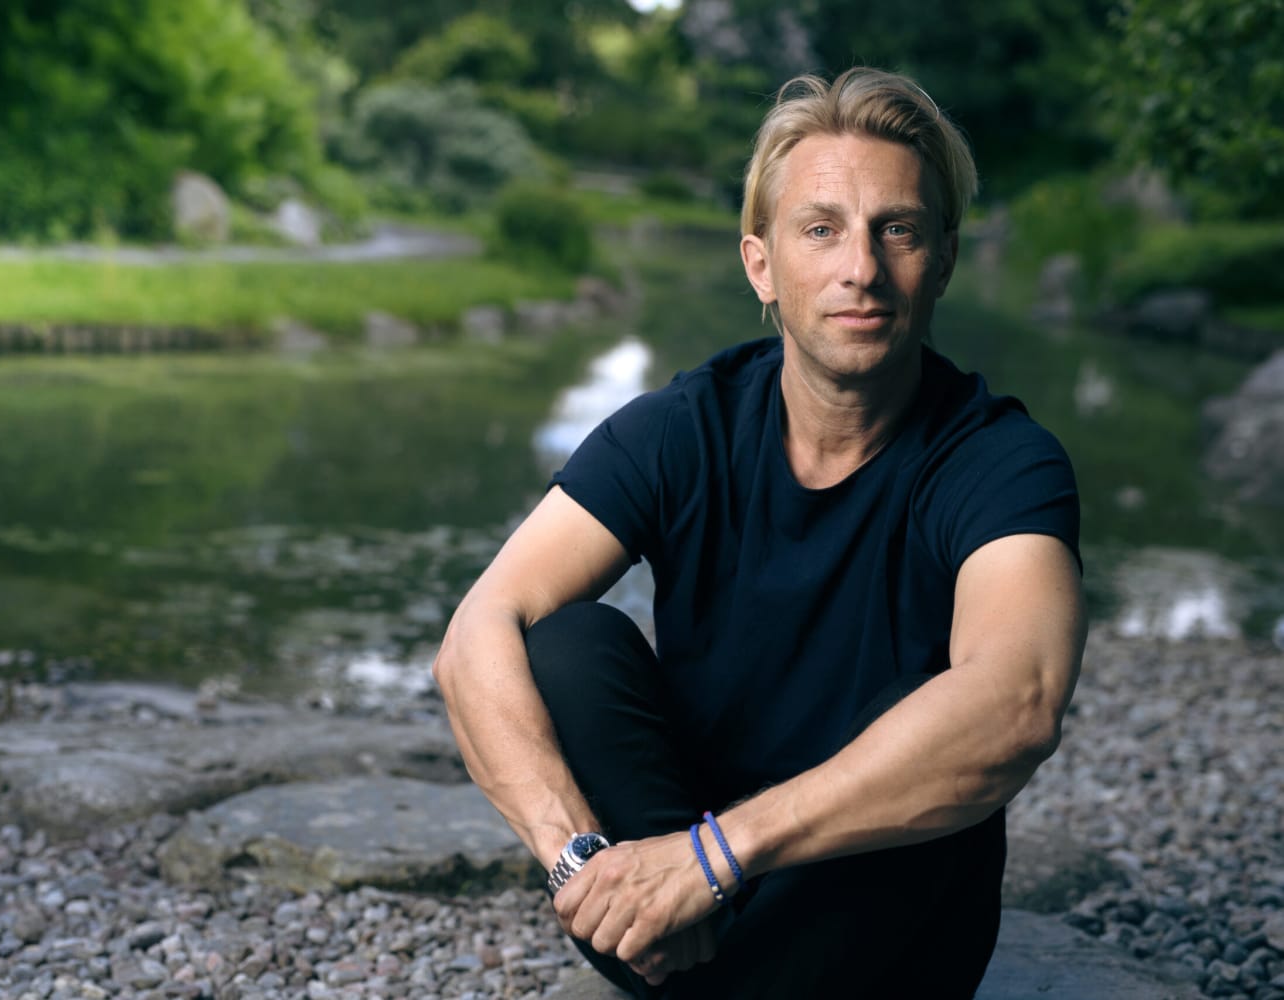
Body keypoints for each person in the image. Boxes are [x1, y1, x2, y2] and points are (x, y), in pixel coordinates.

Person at [432, 66, 1086, 998]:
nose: (859, 268)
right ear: (761, 265)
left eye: (894, 229)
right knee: (563, 644)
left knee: (930, 755)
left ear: (940, 258)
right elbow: (476, 634)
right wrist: (583, 865)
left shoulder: (1001, 461)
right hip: (679, 920)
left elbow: (1018, 702)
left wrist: (710, 858)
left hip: (873, 909)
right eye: (820, 230)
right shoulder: (684, 425)